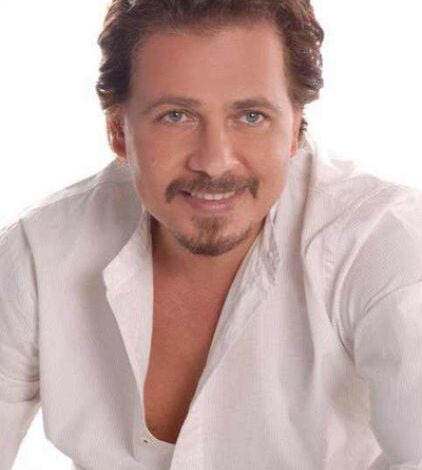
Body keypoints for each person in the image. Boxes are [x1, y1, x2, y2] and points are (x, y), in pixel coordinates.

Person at [1, 0, 421, 469]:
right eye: (176, 116)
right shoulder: (39, 252)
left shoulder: (382, 243)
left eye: (251, 116)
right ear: (118, 130)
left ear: (294, 127)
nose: (215, 162)